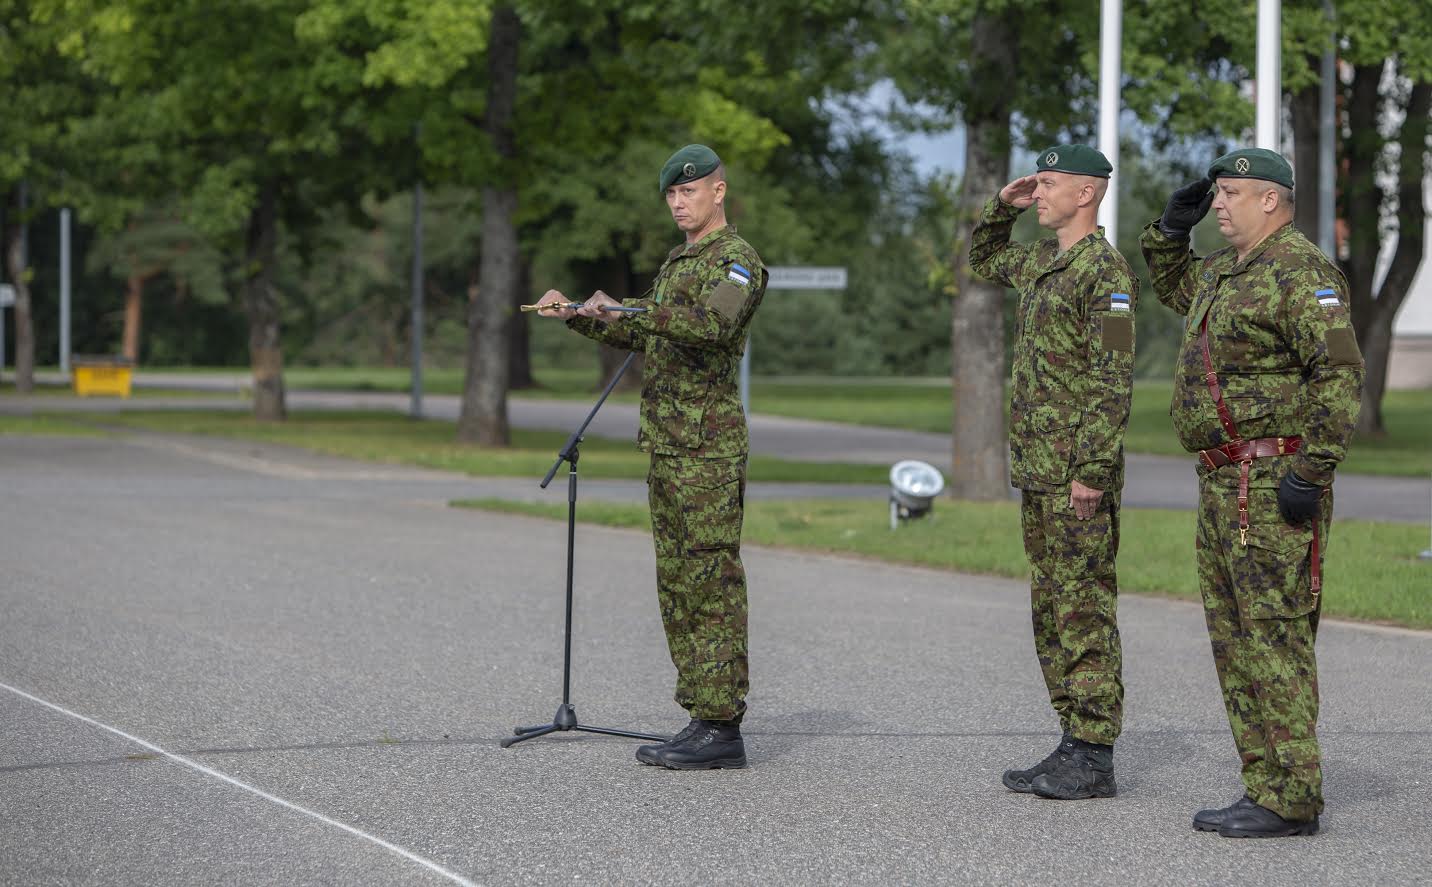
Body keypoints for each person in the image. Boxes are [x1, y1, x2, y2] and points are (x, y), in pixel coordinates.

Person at [1141, 148, 1364, 837]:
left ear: (1271, 199)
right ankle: (1263, 784)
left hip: (1272, 480)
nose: (1220, 204)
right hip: (1220, 478)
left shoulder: (1303, 272)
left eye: (1231, 193)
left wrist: (1313, 470)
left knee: (1274, 634)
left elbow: (1339, 373)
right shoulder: (1224, 272)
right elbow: (1174, 287)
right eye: (1217, 195)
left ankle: (1293, 792)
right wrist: (1168, 232)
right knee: (1234, 637)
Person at [535, 144, 766, 770]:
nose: (677, 202)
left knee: (710, 581)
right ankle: (699, 714)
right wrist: (582, 316)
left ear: (718, 192)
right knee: (677, 585)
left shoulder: (737, 263)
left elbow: (709, 325)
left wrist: (632, 306)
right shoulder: (678, 261)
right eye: (669, 194)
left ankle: (722, 725)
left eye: (687, 192)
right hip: (668, 444)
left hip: (707, 450)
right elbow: (645, 331)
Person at [969, 145, 1138, 800]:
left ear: (1087, 193)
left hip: (1076, 475)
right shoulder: (1045, 263)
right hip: (1040, 470)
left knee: (1083, 604)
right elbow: (984, 260)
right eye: (1035, 184)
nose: (1038, 193)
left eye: (1049, 184)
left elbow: (1113, 372)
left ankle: (1094, 750)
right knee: (1051, 607)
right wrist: (998, 208)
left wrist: (1092, 467)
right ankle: (1072, 738)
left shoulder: (1107, 272)